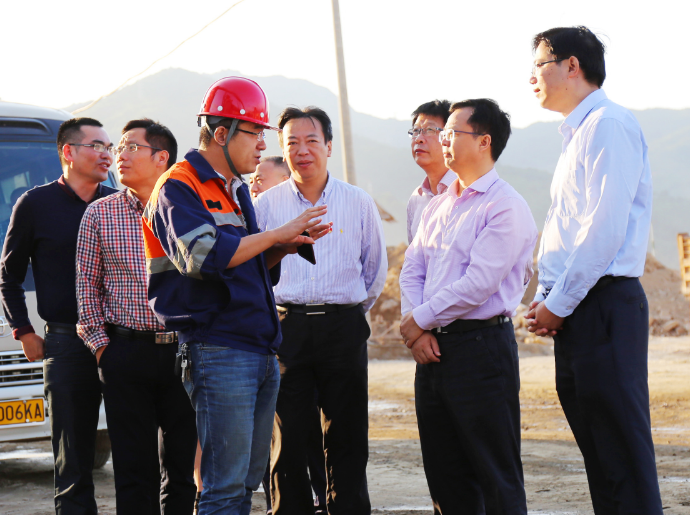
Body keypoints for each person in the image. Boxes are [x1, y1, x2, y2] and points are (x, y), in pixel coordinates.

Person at [141, 77, 330, 515]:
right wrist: (275, 234)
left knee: (245, 483)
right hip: (218, 348)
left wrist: (282, 246)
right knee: (224, 488)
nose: (263, 144)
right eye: (255, 132)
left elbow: (243, 264)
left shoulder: (236, 188)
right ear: (222, 133)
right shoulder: (178, 185)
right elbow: (203, 258)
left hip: (257, 347)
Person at [525, 26, 663, 514]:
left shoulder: (607, 124)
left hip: (604, 306)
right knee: (602, 457)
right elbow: (566, 231)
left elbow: (602, 231)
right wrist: (547, 298)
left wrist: (558, 304)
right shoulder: (577, 133)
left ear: (571, 66)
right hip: (580, 309)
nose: (531, 78)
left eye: (539, 65)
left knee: (621, 454)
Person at [399, 99, 537, 514]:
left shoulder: (504, 205)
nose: (442, 141)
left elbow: (479, 284)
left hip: (481, 349)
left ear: (484, 141)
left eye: (450, 133)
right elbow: (412, 269)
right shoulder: (439, 204)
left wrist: (420, 319)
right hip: (432, 352)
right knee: (446, 476)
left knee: (495, 473)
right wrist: (418, 329)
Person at [254, 106, 387, 515]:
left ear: (329, 146)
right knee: (288, 438)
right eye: (292, 142)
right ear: (282, 149)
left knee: (347, 435)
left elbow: (374, 271)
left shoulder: (357, 202)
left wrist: (345, 313)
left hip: (342, 327)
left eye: (312, 140)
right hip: (286, 328)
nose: (302, 150)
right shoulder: (265, 205)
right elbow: (255, 272)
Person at [76, 119, 197, 514]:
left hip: (183, 352)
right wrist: (103, 350)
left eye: (131, 147)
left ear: (161, 158)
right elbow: (86, 287)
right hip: (125, 353)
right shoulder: (100, 214)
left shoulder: (187, 210)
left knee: (181, 469)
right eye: (120, 147)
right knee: (133, 470)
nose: (119, 156)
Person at [0, 117, 117, 514]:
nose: (106, 154)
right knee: (73, 457)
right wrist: (23, 330)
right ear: (68, 151)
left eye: (109, 147)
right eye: (96, 146)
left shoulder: (118, 203)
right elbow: (9, 276)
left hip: (120, 340)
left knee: (132, 447)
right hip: (66, 343)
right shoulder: (35, 205)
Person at [406, 100, 456, 243]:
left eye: (430, 130)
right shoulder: (416, 199)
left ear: (449, 137)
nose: (419, 139)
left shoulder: (466, 193)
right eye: (416, 131)